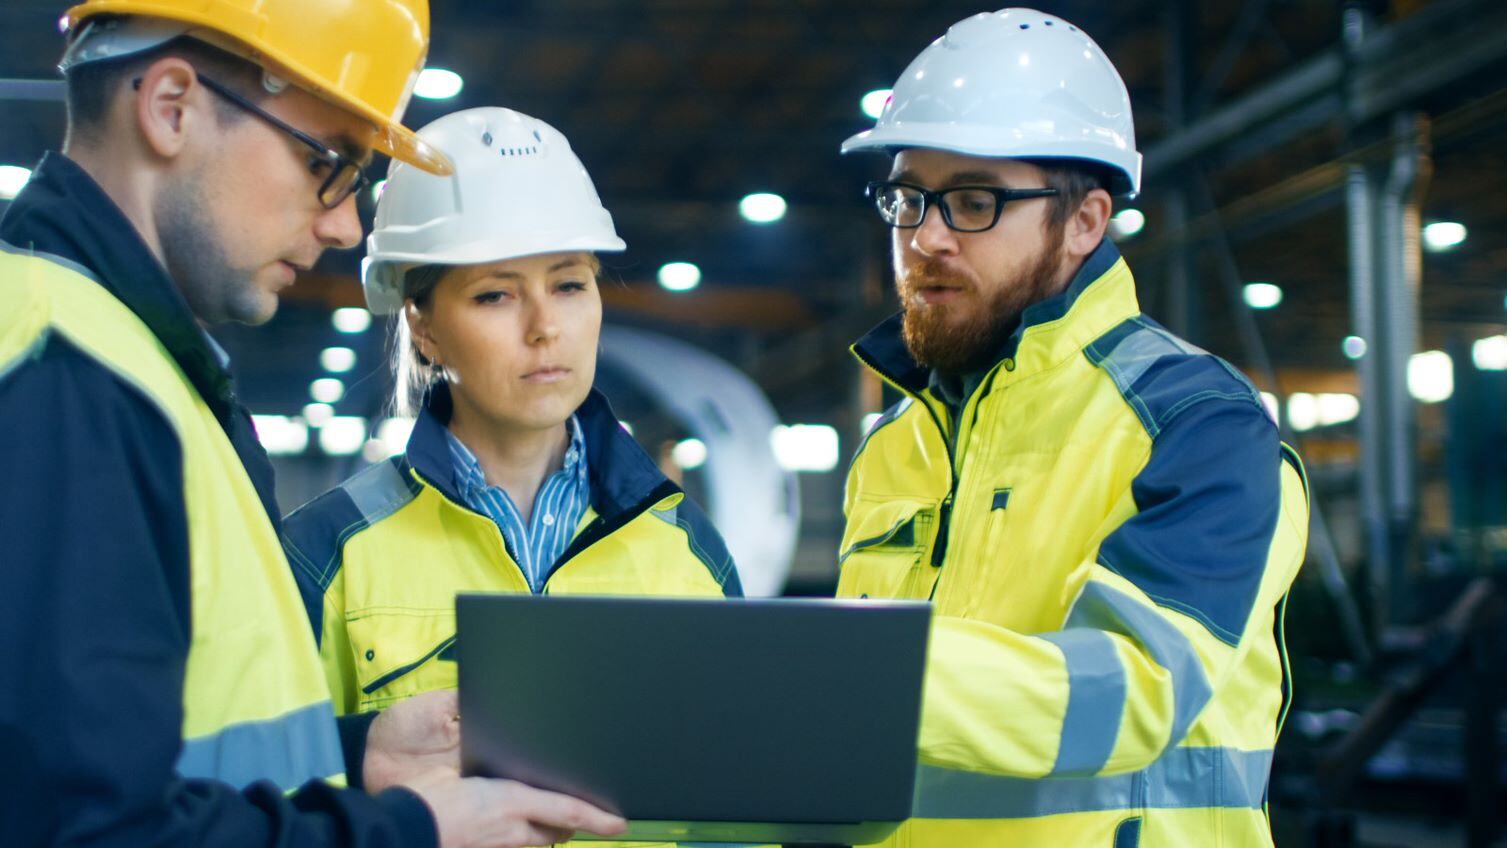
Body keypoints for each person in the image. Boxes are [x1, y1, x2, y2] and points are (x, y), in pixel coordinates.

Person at [0, 4, 624, 846]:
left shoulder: (126, 364)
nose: (346, 225)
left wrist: (358, 753)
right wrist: (405, 833)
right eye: (326, 163)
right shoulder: (62, 378)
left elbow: (144, 758)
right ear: (172, 107)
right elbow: (87, 828)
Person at [835, 8, 1310, 847]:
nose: (926, 237)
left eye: (974, 201)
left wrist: (821, 672)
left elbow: (1127, 697)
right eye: (907, 200)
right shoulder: (893, 448)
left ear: (1085, 221)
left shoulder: (1196, 427)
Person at [279, 107, 741, 840]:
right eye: (495, 294)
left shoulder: (686, 547)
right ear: (424, 328)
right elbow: (272, 802)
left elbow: (741, 800)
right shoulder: (323, 552)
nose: (543, 327)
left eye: (568, 285)